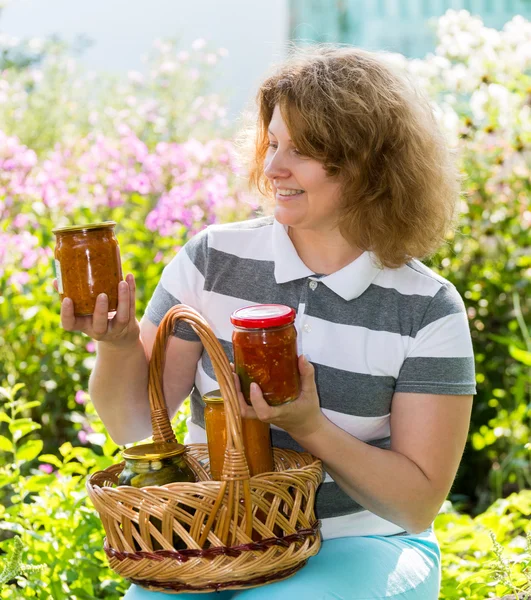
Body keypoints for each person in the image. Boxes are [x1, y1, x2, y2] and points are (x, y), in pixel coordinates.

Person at [59, 45, 476, 599]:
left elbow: (417, 503)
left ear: (372, 165)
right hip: (213, 540)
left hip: (361, 542)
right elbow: (133, 424)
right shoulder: (213, 260)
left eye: (302, 151)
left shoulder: (426, 309)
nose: (273, 167)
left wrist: (310, 426)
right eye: (273, 143)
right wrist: (115, 345)